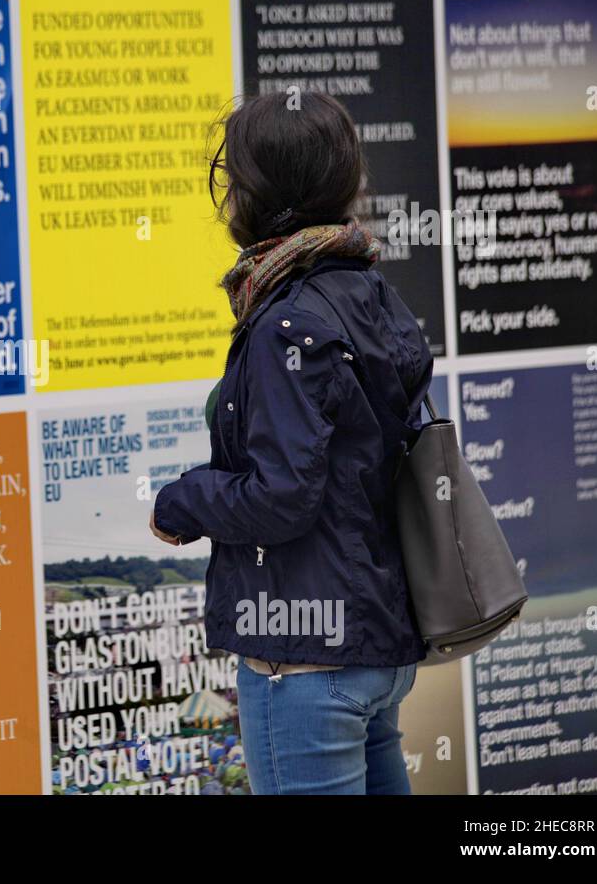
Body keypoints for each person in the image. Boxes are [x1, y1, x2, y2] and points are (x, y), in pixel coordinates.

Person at [149, 92, 433, 795]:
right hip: (373, 648)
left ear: (261, 196)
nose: (228, 196)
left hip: (305, 662)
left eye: (235, 178)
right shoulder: (365, 289)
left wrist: (181, 501)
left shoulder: (286, 322)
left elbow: (283, 496)